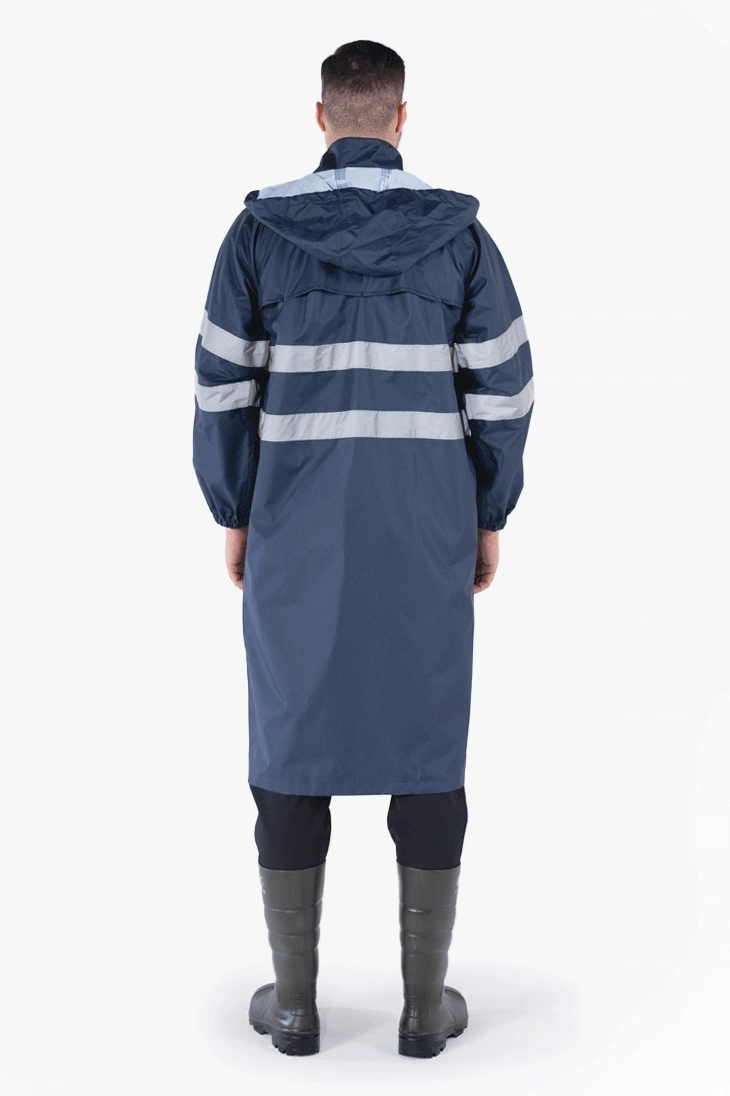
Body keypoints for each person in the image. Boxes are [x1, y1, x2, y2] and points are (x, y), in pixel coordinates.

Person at [192, 40, 534, 1059]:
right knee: (426, 739)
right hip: (426, 525)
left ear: (320, 117)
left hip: (294, 524)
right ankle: (423, 1012)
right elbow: (504, 391)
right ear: (399, 117)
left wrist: (234, 510)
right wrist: (488, 512)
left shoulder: (257, 235)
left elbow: (220, 388)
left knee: (290, 736)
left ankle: (296, 1010)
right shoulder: (461, 239)